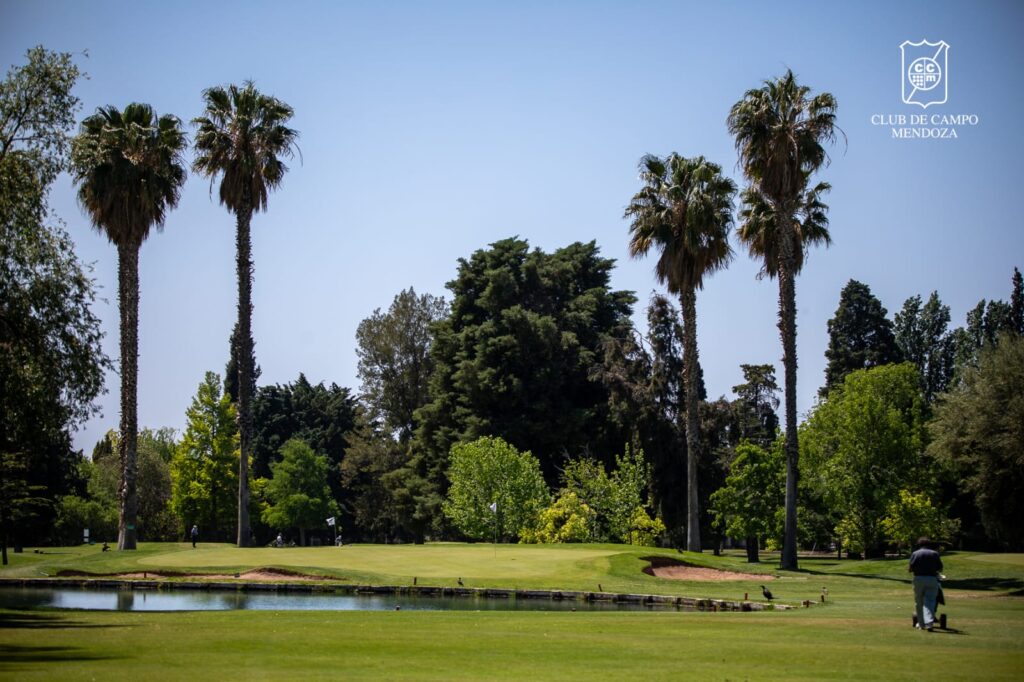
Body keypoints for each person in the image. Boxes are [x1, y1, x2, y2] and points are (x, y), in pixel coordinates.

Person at [908, 537, 943, 631]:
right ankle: (929, 623)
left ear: (919, 545)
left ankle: (921, 624)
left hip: (918, 579)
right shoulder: (934, 553)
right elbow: (940, 568)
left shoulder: (915, 553)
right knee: (930, 601)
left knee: (919, 602)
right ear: (929, 544)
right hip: (932, 579)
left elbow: (910, 569)